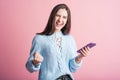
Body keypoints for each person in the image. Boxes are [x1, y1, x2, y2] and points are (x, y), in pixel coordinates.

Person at [26, 4, 90, 80]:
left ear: (67, 20)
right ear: (52, 17)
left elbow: (72, 68)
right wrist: (35, 62)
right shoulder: (39, 39)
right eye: (58, 15)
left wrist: (80, 57)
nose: (60, 20)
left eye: (64, 17)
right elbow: (29, 67)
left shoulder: (69, 39)